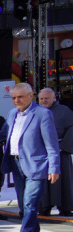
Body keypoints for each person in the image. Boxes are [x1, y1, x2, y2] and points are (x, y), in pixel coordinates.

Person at [0, 84, 61, 232]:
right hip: (16, 165)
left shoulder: (43, 114)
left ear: (31, 96)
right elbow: (3, 134)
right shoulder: (11, 114)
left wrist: (54, 167)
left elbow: (51, 144)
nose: (16, 101)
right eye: (14, 98)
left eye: (20, 97)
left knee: (30, 203)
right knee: (24, 205)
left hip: (36, 165)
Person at [36, 88, 73, 217]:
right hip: (41, 153)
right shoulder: (35, 111)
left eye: (47, 98)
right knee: (43, 181)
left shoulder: (64, 111)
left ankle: (65, 207)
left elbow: (71, 129)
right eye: (41, 99)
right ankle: (44, 207)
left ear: (54, 98)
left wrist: (63, 146)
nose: (44, 101)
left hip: (60, 151)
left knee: (63, 180)